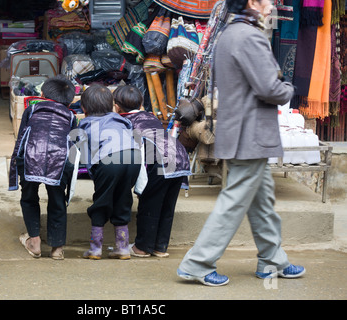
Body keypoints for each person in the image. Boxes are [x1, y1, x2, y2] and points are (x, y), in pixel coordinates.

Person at [177, 0, 305, 286]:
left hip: (242, 133)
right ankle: (197, 263)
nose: (272, 7)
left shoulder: (230, 34)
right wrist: (288, 89)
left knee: (262, 204)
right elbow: (270, 88)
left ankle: (272, 261)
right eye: (268, 1)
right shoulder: (250, 36)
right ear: (251, 2)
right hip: (251, 135)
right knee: (234, 202)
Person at [113, 85, 191, 258]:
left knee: (150, 203)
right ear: (141, 104)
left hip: (160, 161)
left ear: (117, 106)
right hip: (179, 156)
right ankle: (160, 246)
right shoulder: (149, 116)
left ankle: (142, 247)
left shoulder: (124, 121)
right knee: (167, 205)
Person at [8, 75, 78, 260]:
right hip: (59, 160)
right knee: (57, 200)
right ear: (69, 100)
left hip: (31, 156)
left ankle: (35, 241)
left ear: (42, 94)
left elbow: (22, 137)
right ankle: (57, 249)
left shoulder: (32, 109)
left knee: (29, 197)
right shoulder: (71, 116)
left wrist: (16, 164)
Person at [76, 84, 141, 260]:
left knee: (101, 201)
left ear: (83, 108)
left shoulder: (84, 125)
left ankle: (95, 249)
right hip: (135, 157)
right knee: (123, 198)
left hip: (109, 160)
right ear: (112, 106)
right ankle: (122, 248)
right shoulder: (122, 120)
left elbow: (88, 158)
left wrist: (96, 176)